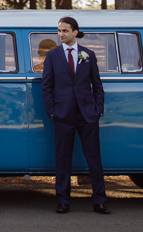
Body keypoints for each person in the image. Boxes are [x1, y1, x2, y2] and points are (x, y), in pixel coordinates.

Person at [40, 16, 109, 215]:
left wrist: (98, 110)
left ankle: (99, 201)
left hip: (88, 115)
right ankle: (63, 200)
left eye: (65, 31)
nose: (61, 34)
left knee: (94, 158)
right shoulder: (52, 56)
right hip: (63, 115)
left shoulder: (89, 55)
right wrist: (52, 111)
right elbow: (46, 87)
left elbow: (97, 85)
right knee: (62, 159)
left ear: (75, 32)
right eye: (59, 31)